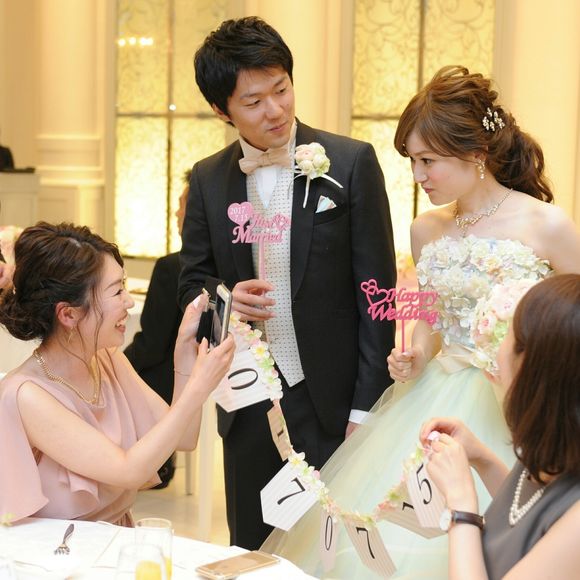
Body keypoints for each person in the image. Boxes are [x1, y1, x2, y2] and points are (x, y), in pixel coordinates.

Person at [262, 66, 580, 577]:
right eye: (411, 160)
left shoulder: (546, 224)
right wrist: (415, 352)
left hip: (519, 399)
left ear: (476, 153)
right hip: (433, 398)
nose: (417, 175)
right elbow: (432, 317)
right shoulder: (425, 229)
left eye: (428, 160)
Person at [178, 17, 397, 549]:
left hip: (334, 403)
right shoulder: (207, 179)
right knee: (252, 551)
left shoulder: (350, 163)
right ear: (222, 110)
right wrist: (227, 300)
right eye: (253, 102)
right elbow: (191, 283)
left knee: (333, 552)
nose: (275, 110)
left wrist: (367, 408)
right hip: (249, 403)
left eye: (281, 89)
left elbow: (379, 297)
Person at [0, 222, 234, 525]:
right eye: (117, 291)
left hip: (117, 539)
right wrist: (199, 387)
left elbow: (185, 437)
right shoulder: (27, 396)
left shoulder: (107, 360)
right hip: (65, 550)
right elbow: (128, 470)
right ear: (68, 314)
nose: (130, 301)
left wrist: (183, 354)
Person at [422, 274, 580, 579]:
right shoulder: (559, 445)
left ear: (534, 368)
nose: (498, 351)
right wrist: (482, 458)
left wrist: (460, 503)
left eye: (510, 336)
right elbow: (526, 521)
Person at [124, 169, 191, 488]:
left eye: (181, 205)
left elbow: (150, 344)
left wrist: (118, 363)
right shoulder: (223, 262)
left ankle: (147, 461)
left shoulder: (171, 267)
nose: (177, 213)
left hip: (168, 374)